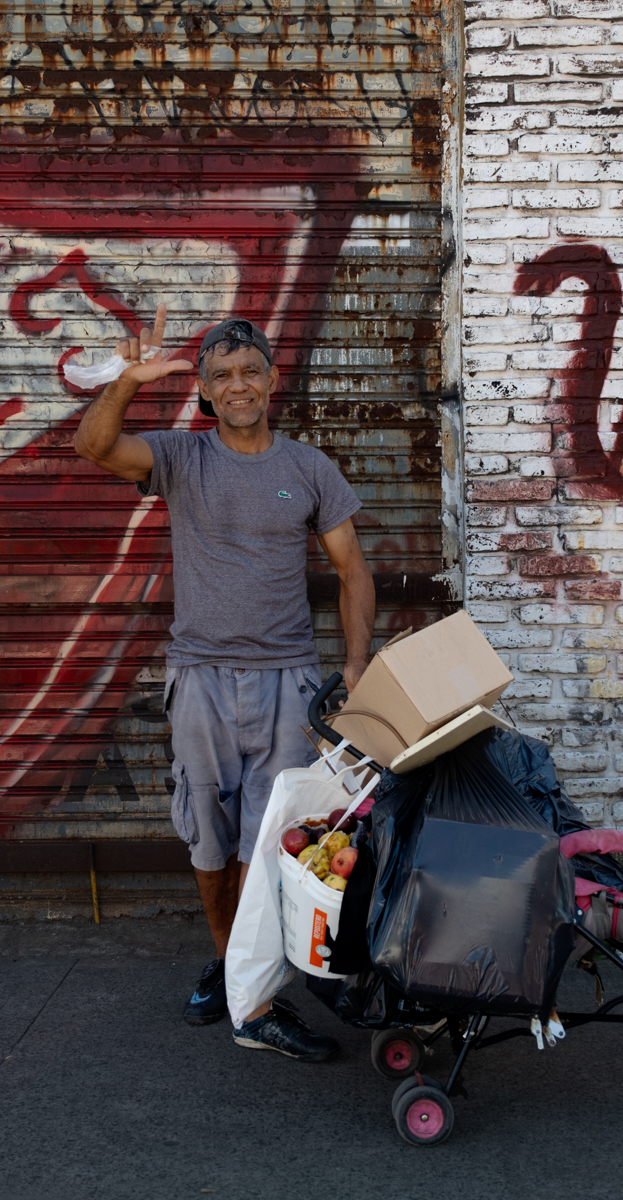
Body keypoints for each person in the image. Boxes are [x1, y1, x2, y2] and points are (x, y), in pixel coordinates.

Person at [74, 307, 375, 1062]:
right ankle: (238, 974)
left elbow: (353, 570)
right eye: (220, 377)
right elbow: (93, 446)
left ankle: (261, 986)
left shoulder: (309, 469)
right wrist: (124, 382)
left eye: (249, 371)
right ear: (204, 394)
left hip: (287, 682)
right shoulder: (182, 457)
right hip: (202, 678)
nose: (237, 385)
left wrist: (358, 662)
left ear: (272, 380)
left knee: (272, 843)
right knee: (209, 838)